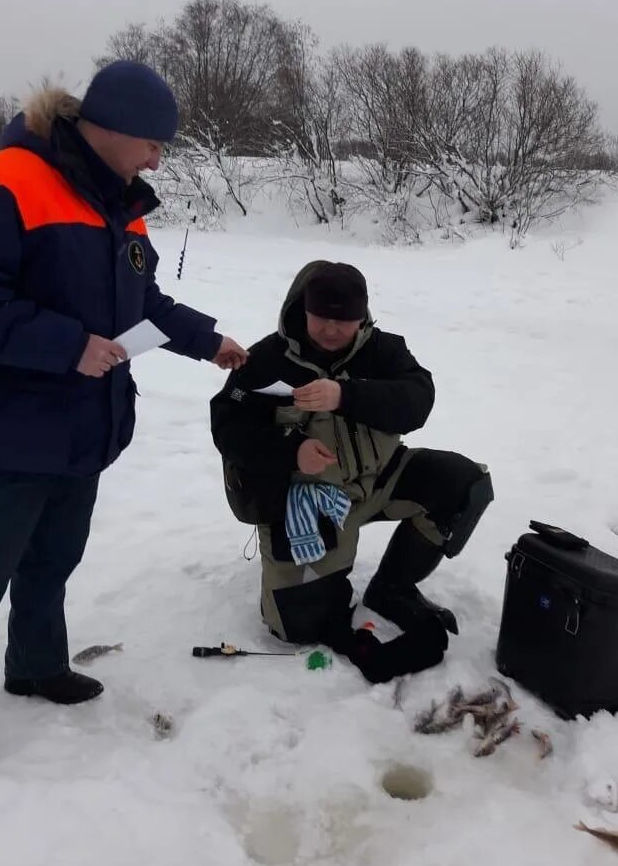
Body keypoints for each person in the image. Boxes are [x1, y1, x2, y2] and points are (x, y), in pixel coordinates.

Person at [0, 61, 247, 773]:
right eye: (154, 143)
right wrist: (70, 346)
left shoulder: (119, 203)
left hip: (82, 427)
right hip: (6, 429)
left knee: (52, 561)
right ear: (111, 128)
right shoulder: (2, 183)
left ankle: (36, 666)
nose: (159, 158)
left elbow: (144, 305)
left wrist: (208, 341)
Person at [210, 260, 493, 682]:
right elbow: (227, 426)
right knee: (299, 630)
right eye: (321, 316)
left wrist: (345, 394)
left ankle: (392, 589)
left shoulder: (384, 350)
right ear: (302, 309)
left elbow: (419, 400)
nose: (330, 329)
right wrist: (293, 452)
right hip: (309, 504)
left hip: (380, 479)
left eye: (343, 320)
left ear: (362, 317)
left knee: (462, 483)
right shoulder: (266, 360)